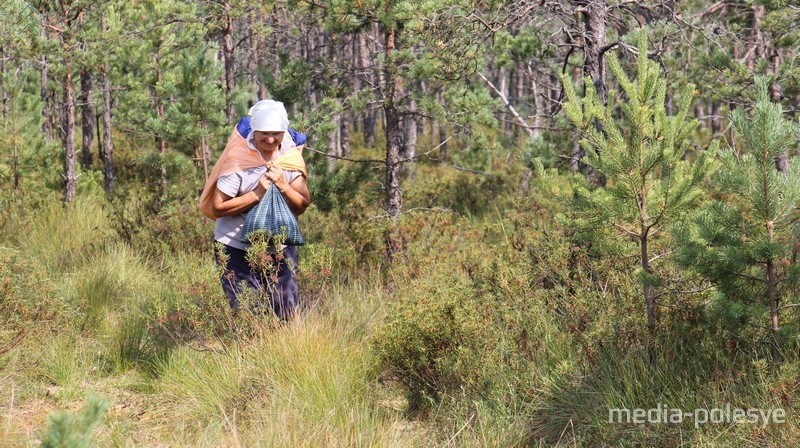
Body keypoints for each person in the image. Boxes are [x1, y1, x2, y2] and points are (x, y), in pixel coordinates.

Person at [198, 100, 311, 319]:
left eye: (277, 134)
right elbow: (218, 207)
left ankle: (283, 352)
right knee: (247, 312)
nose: (271, 140)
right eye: (264, 134)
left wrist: (284, 186)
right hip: (234, 246)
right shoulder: (239, 160)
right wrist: (256, 194)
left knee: (285, 311)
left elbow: (302, 205)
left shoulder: (290, 158)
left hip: (280, 246)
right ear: (255, 131)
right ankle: (249, 352)